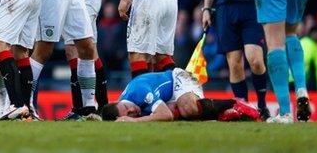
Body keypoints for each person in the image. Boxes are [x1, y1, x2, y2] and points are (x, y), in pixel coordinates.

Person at [100, 68, 259, 122]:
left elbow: (165, 115)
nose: (132, 111)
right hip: (168, 97)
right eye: (128, 115)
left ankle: (235, 103)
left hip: (179, 78)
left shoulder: (139, 92)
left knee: (187, 109)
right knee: (179, 113)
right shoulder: (124, 104)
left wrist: (133, 122)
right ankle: (226, 114)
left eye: (127, 108)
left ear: (119, 101)